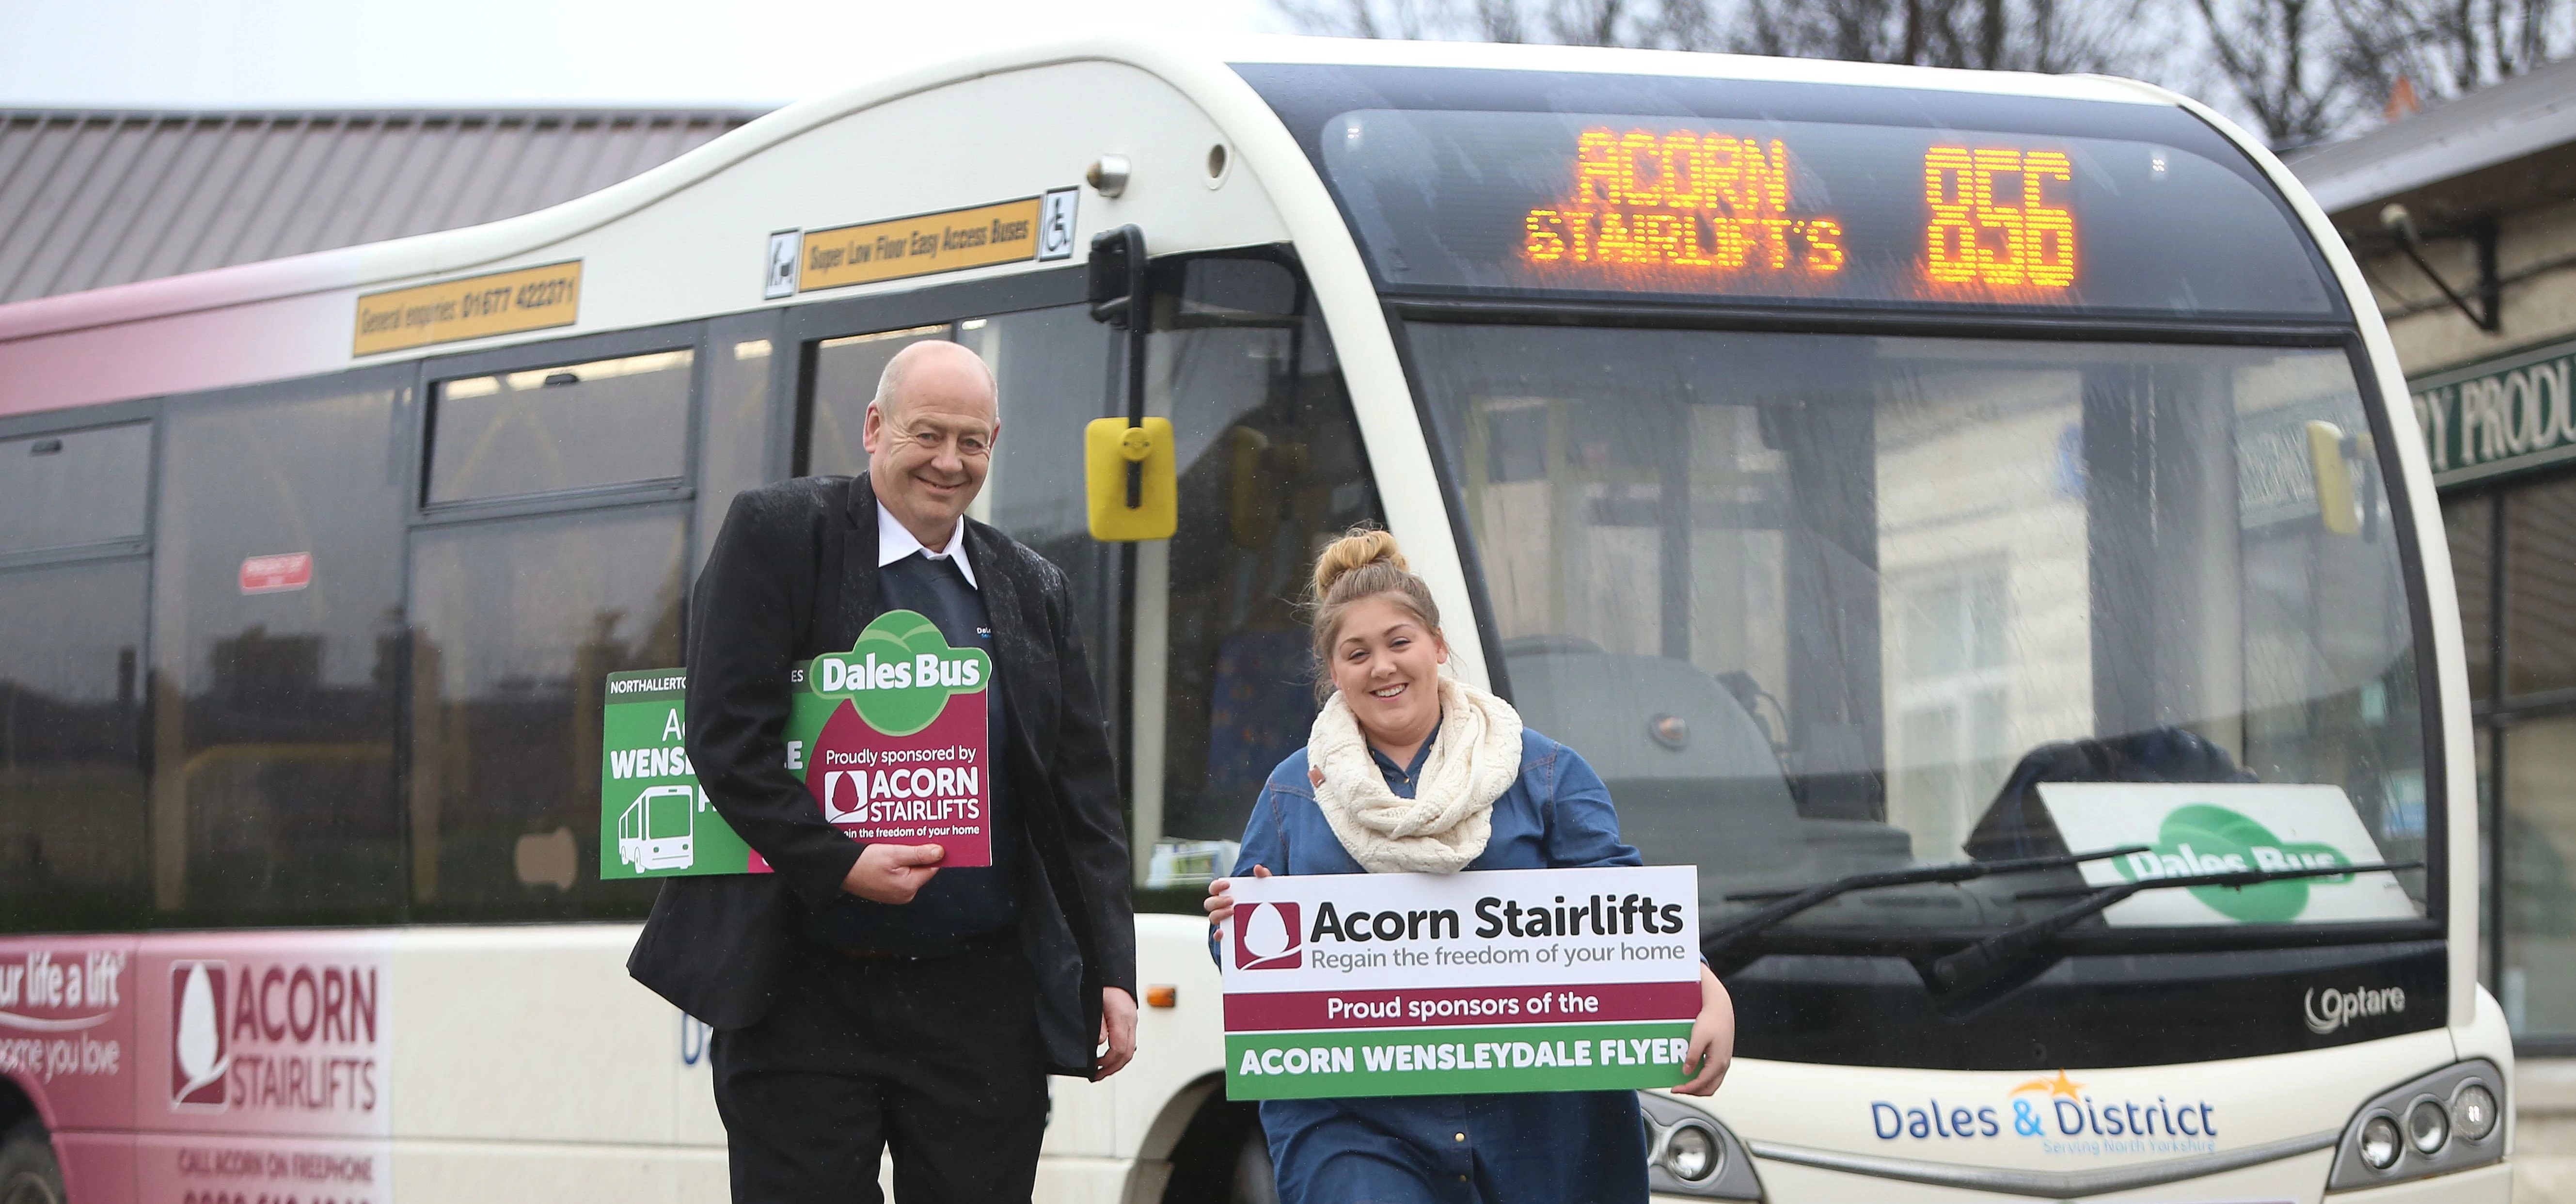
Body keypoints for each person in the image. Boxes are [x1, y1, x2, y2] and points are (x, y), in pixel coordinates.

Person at [629, 340, 1137, 1204]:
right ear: (874, 428)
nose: (949, 462)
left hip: (981, 1001)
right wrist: (840, 863)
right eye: (927, 434)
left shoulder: (1032, 585)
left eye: (971, 442)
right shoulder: (782, 534)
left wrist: (1110, 969)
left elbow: (1081, 797)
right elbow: (724, 739)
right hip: (800, 992)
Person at [1204, 529, 1733, 1204]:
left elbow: (1626, 912)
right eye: (1356, 653)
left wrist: (1703, 987)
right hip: (1358, 1120)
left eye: (1399, 642)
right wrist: (1238, 922)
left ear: (1437, 646)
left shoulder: (1544, 771)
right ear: (1332, 673)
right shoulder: (1291, 792)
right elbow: (1245, 958)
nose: (1382, 667)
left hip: (1541, 1120)